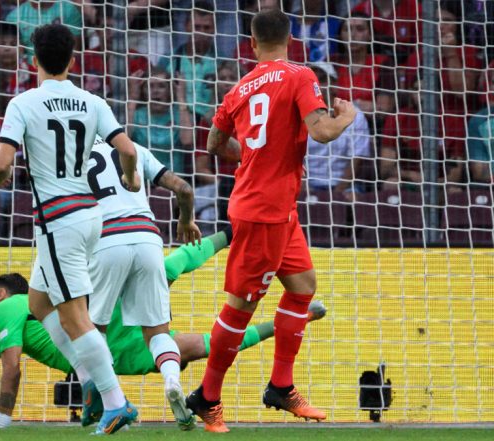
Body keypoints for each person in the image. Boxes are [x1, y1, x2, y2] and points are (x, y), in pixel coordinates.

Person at [0, 240, 330, 429]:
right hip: (109, 348)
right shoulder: (13, 327)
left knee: (180, 308)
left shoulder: (15, 307)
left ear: (2, 293)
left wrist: (1, 422)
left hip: (100, 341)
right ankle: (290, 313)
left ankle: (96, 393)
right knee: (201, 343)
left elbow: (12, 368)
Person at [186, 9, 356, 432]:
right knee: (241, 308)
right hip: (262, 212)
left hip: (278, 209)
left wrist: (253, 157)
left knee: (302, 287)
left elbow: (213, 143)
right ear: (290, 37)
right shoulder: (300, 76)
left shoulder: (238, 89)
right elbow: (320, 132)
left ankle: (281, 386)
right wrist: (346, 118)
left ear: (252, 42)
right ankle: (206, 397)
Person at [0, 24, 140, 435]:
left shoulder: (23, 103)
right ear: (73, 60)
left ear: (32, 60)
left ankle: (116, 402)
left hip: (59, 222)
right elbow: (126, 150)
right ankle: (90, 380)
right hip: (90, 216)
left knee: (76, 318)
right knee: (39, 304)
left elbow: (3, 163)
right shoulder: (91, 101)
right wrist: (132, 180)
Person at [71, 136, 201, 429]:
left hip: (105, 240)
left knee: (94, 329)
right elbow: (184, 189)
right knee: (156, 331)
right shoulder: (134, 150)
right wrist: (185, 220)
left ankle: (111, 401)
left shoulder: (73, 158)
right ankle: (171, 380)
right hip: (147, 238)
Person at [305, 62, 372, 197]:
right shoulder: (296, 115)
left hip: (344, 185)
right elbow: (292, 162)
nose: (316, 85)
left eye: (322, 79)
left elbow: (356, 160)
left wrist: (335, 195)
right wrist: (305, 190)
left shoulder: (354, 115)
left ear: (334, 84)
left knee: (352, 198)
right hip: (307, 185)